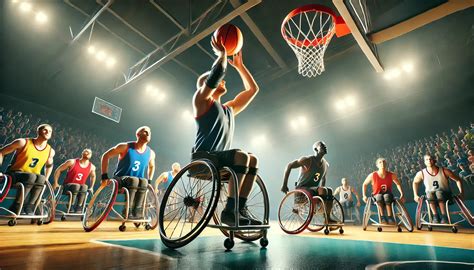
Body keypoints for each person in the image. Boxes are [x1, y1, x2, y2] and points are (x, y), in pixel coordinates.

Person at [191, 35, 260, 226]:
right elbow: (217, 74)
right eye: (216, 80)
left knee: (252, 159)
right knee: (242, 156)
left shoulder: (229, 108)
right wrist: (222, 54)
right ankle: (229, 212)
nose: (223, 81)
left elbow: (253, 90)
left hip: (221, 159)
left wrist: (240, 66)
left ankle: (239, 209)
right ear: (206, 85)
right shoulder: (201, 101)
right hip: (203, 158)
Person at [101, 126, 156, 219]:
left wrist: (150, 180)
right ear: (137, 135)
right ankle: (127, 209)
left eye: (149, 132)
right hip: (120, 179)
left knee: (144, 182)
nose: (147, 133)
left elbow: (152, 166)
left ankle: (137, 211)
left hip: (137, 182)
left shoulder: (151, 153)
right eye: (144, 131)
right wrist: (104, 176)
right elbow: (105, 156)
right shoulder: (125, 146)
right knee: (134, 180)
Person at [0, 124, 55, 215]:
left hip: (32, 177)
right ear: (38, 131)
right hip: (15, 173)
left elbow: (49, 165)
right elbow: (1, 152)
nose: (48, 132)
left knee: (41, 178)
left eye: (50, 131)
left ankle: (30, 206)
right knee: (31, 177)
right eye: (45, 130)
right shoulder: (23, 142)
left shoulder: (50, 151)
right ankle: (17, 205)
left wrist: (47, 177)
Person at [281, 141, 337, 223]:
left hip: (313, 190)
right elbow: (289, 166)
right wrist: (284, 184)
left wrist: (322, 193)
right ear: (315, 149)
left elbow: (323, 179)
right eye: (321, 145)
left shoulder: (326, 164)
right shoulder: (307, 160)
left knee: (329, 190)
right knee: (323, 190)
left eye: (325, 145)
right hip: (302, 189)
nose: (325, 146)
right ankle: (323, 213)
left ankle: (327, 217)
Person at [412, 154, 464, 224]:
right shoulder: (421, 173)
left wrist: (461, 192)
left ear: (434, 160)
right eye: (427, 160)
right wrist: (415, 195)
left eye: (430, 159)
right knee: (429, 193)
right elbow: (415, 182)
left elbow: (458, 180)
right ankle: (435, 216)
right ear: (424, 162)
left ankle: (444, 216)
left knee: (438, 192)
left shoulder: (444, 171)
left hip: (446, 196)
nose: (429, 161)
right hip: (431, 197)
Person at [362, 158, 404, 225]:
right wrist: (364, 196)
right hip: (376, 196)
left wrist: (402, 194)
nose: (382, 163)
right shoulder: (372, 175)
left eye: (384, 162)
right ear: (377, 165)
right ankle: (382, 217)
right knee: (379, 196)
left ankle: (390, 217)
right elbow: (364, 184)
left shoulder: (391, 175)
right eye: (380, 162)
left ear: (386, 164)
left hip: (388, 195)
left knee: (387, 196)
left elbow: (398, 184)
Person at [53, 148, 96, 213]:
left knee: (84, 186)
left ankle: (79, 206)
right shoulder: (72, 162)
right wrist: (56, 182)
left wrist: (92, 187)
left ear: (91, 155)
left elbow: (93, 176)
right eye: (86, 151)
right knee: (76, 186)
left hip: (80, 189)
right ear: (82, 153)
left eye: (89, 152)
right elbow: (58, 170)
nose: (87, 153)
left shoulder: (92, 166)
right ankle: (70, 205)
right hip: (67, 187)